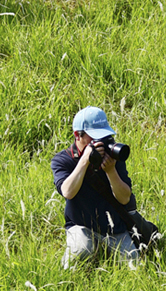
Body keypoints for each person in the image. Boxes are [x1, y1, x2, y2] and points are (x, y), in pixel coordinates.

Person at [52, 107, 148, 269]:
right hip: (81, 226)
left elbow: (124, 198)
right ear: (77, 135)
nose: (101, 141)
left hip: (114, 228)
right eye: (95, 137)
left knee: (134, 265)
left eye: (104, 136)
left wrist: (111, 171)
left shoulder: (112, 158)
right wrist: (85, 160)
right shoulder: (63, 160)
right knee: (81, 252)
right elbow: (67, 192)